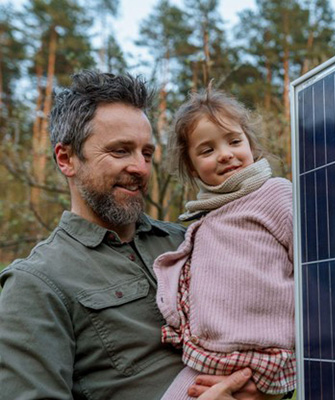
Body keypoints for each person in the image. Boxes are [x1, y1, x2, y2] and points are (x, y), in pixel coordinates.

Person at [0, 70, 275, 400]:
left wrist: (266, 388)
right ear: (66, 158)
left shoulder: (193, 239)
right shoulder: (37, 283)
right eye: (120, 151)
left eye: (146, 153)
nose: (141, 168)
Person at [153, 87, 296, 399]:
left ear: (250, 144)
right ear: (192, 167)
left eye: (234, 141)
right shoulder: (206, 218)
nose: (226, 153)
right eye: (207, 150)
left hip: (260, 356)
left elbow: (314, 267)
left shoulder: (274, 193)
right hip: (209, 359)